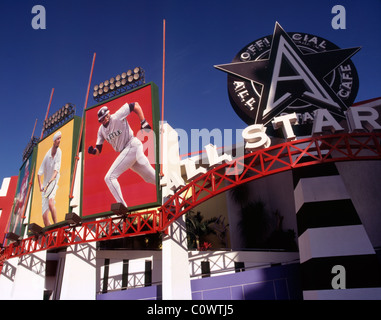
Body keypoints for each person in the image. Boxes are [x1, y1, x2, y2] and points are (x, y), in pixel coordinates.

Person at [88, 102, 156, 211]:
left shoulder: (117, 116)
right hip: (128, 152)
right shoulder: (101, 130)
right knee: (151, 178)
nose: (105, 119)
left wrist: (143, 121)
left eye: (106, 116)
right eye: (102, 119)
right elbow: (98, 150)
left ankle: (123, 207)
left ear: (109, 113)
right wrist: (93, 151)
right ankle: (169, 186)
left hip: (132, 145)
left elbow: (136, 105)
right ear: (99, 121)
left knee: (109, 177)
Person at [37, 131, 62, 226]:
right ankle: (51, 232)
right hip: (46, 186)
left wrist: (51, 181)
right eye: (58, 139)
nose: (59, 141)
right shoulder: (47, 156)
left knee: (51, 203)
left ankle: (57, 226)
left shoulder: (59, 152)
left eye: (60, 138)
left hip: (54, 181)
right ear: (54, 141)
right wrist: (41, 185)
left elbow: (56, 171)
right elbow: (39, 173)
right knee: (44, 217)